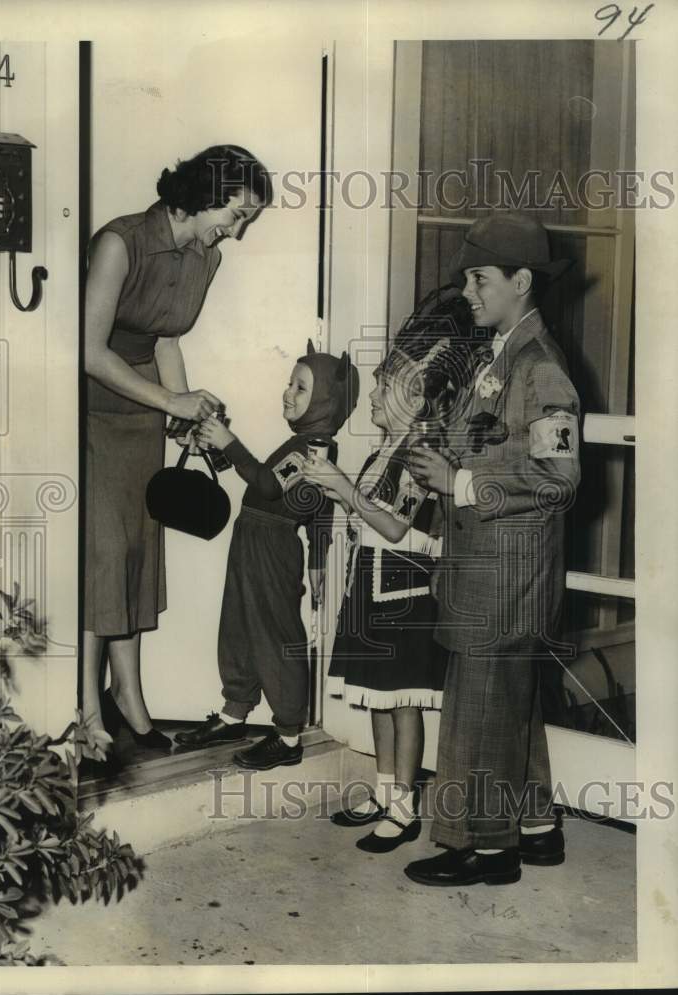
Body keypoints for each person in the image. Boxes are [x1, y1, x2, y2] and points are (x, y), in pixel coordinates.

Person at [82, 144, 272, 770]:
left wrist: (181, 411)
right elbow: (89, 351)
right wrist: (171, 398)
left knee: (135, 550)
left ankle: (129, 699)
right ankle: (84, 711)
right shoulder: (120, 242)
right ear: (204, 194)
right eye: (238, 214)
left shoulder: (205, 256)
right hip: (85, 407)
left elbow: (163, 337)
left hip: (138, 413)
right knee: (101, 556)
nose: (238, 232)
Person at [404, 211, 581, 887]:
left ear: (520, 280)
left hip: (507, 573)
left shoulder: (542, 372)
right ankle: (534, 827)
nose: (467, 293)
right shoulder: (499, 357)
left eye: (478, 279)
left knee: (478, 702)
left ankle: (481, 849)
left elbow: (557, 480)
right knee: (509, 699)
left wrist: (464, 482)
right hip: (485, 565)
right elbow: (491, 439)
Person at [303, 287, 476, 854]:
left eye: (383, 387)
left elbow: (400, 528)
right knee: (377, 697)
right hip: (372, 589)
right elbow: (370, 518)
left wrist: (342, 491)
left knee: (402, 704)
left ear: (416, 397)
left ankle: (403, 810)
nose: (373, 395)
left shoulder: (421, 454)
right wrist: (342, 495)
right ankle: (383, 794)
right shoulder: (384, 450)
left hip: (404, 595)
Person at [174, 342, 359, 770]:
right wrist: (216, 446)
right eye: (289, 382)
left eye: (301, 387)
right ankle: (234, 713)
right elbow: (317, 504)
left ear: (327, 402)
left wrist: (230, 442)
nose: (287, 392)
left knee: (276, 638)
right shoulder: (303, 442)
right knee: (237, 626)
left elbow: (269, 486)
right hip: (253, 539)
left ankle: (289, 737)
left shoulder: (313, 447)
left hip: (272, 548)